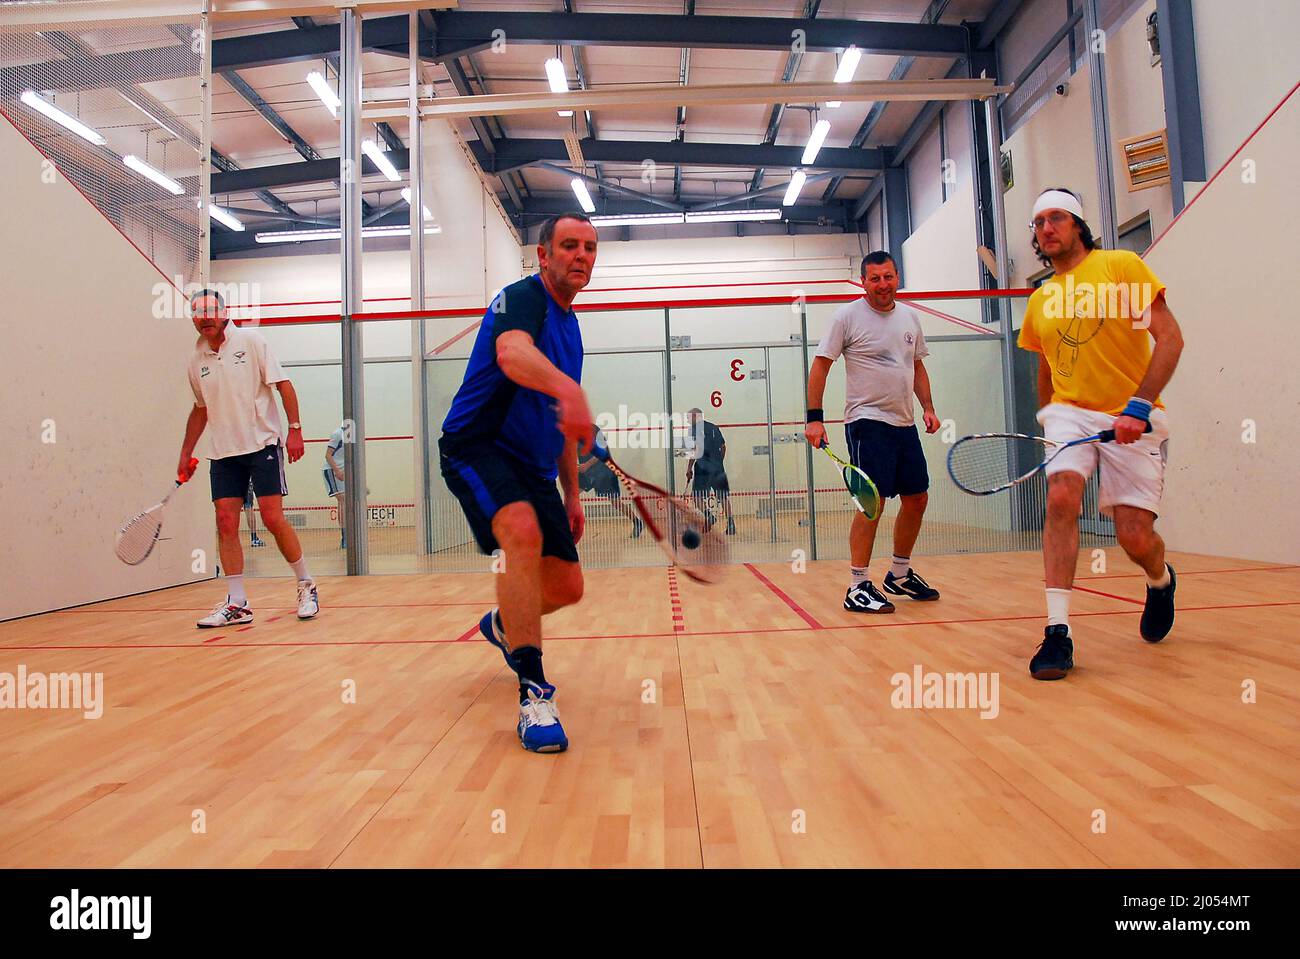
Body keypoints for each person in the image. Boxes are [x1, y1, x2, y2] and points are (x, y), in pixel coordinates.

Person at [439, 212, 598, 753]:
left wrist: (572, 493)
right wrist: (571, 392)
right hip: (476, 447)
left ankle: (506, 623)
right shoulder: (522, 297)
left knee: (567, 587)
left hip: (534, 470)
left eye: (590, 248)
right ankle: (534, 693)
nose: (581, 256)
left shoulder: (573, 330)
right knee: (521, 533)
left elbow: (560, 422)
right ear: (544, 255)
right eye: (569, 245)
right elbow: (511, 354)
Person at [1017, 188, 1182, 680]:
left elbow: (1170, 339)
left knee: (1135, 537)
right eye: (1039, 221)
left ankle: (1160, 579)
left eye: (1057, 218)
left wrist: (1138, 405)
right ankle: (1057, 633)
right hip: (1071, 415)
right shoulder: (1040, 298)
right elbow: (1045, 368)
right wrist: (1048, 418)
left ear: (1079, 226)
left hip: (1132, 414)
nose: (1047, 228)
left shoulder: (1121, 267)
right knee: (1062, 499)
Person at [804, 251, 942, 613]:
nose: (883, 284)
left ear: (898, 278)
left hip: (904, 422)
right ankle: (858, 584)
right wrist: (814, 418)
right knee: (873, 502)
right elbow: (820, 367)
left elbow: (917, 366)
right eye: (875, 278)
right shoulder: (847, 316)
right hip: (866, 422)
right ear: (863, 281)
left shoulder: (910, 318)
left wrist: (927, 407)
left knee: (917, 498)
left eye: (888, 277)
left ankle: (898, 573)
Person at [178, 288, 319, 627]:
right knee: (225, 523)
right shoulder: (196, 359)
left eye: (210, 311)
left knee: (272, 519)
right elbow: (200, 410)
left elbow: (283, 384)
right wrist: (185, 453)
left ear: (224, 312)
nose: (204, 318)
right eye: (198, 314)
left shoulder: (252, 341)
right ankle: (237, 602)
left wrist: (295, 429)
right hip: (223, 453)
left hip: (263, 445)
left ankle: (306, 584)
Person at [578, 425, 643, 538]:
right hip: (587, 472)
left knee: (615, 502)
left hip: (605, 471)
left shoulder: (594, 430)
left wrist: (586, 465)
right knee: (571, 496)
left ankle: (637, 522)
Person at [684, 408, 735, 535]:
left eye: (689, 417)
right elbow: (723, 447)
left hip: (702, 469)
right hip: (717, 468)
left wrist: (689, 468)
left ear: (696, 416)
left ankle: (709, 516)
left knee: (697, 496)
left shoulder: (693, 430)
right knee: (723, 496)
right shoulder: (714, 427)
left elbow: (694, 450)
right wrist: (718, 462)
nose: (688, 420)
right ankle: (731, 524)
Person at [324, 422, 347, 549]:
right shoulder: (337, 434)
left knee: (348, 500)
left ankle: (350, 534)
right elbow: (327, 455)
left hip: (345, 471)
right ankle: (345, 538)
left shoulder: (352, 436)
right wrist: (337, 471)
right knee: (342, 500)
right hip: (332, 471)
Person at [243, 479, 266, 547]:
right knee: (249, 508)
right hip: (245, 482)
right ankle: (254, 539)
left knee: (246, 508)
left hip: (233, 481)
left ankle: (229, 540)